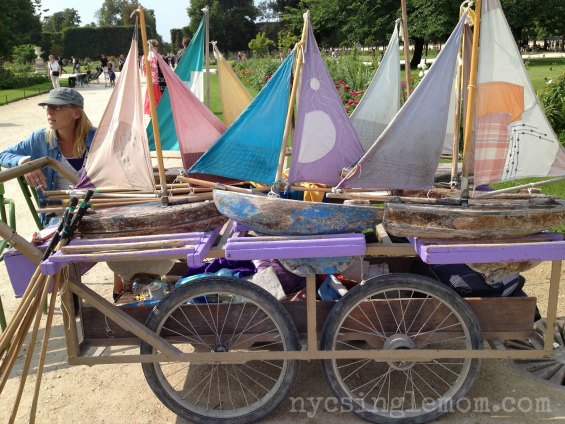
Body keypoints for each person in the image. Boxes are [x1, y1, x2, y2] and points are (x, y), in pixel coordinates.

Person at [141, 39, 166, 115]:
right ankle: (157, 111)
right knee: (156, 96)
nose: (157, 48)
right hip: (156, 80)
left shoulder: (144, 56)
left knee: (150, 96)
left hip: (150, 79)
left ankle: (151, 111)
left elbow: (143, 69)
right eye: (156, 46)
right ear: (153, 47)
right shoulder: (156, 56)